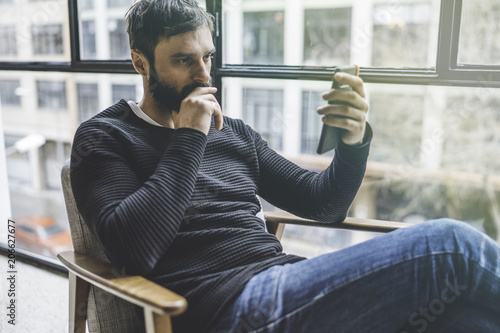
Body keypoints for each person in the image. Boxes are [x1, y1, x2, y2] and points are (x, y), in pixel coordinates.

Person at [70, 0, 500, 332]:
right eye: (184, 60)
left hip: (284, 284)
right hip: (226, 309)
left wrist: (351, 142)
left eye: (208, 57)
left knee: (464, 316)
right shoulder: (104, 138)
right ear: (140, 62)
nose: (204, 75)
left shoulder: (233, 132)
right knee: (453, 247)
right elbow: (134, 249)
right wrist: (189, 136)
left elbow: (324, 206)